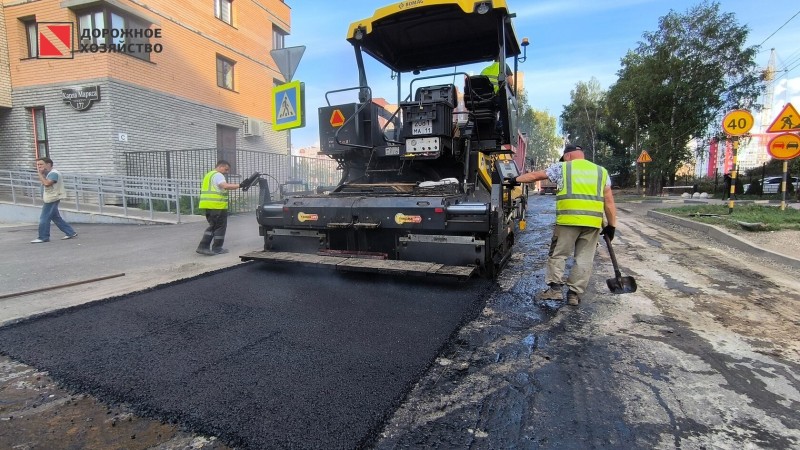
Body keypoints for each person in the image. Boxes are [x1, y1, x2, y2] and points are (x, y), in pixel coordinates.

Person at [508, 144, 617, 306]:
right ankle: (574, 294)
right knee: (584, 259)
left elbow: (536, 175)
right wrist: (612, 226)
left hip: (568, 221)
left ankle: (555, 290)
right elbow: (609, 201)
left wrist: (514, 180)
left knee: (558, 254)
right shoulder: (601, 172)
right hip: (592, 223)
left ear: (568, 156)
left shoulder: (563, 167)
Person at [196, 160, 244, 256]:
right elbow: (224, 186)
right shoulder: (218, 175)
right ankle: (206, 247)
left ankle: (213, 247)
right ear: (220, 166)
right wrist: (240, 185)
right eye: (226, 169)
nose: (227, 172)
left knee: (214, 226)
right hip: (217, 206)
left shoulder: (209, 175)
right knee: (218, 227)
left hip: (209, 205)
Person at [31, 157, 78, 243]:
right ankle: (70, 232)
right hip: (51, 198)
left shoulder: (53, 173)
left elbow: (47, 183)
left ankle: (43, 237)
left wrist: (40, 174)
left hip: (52, 199)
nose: (39, 166)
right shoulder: (49, 173)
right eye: (37, 165)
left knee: (44, 218)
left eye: (41, 164)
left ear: (48, 164)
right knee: (55, 217)